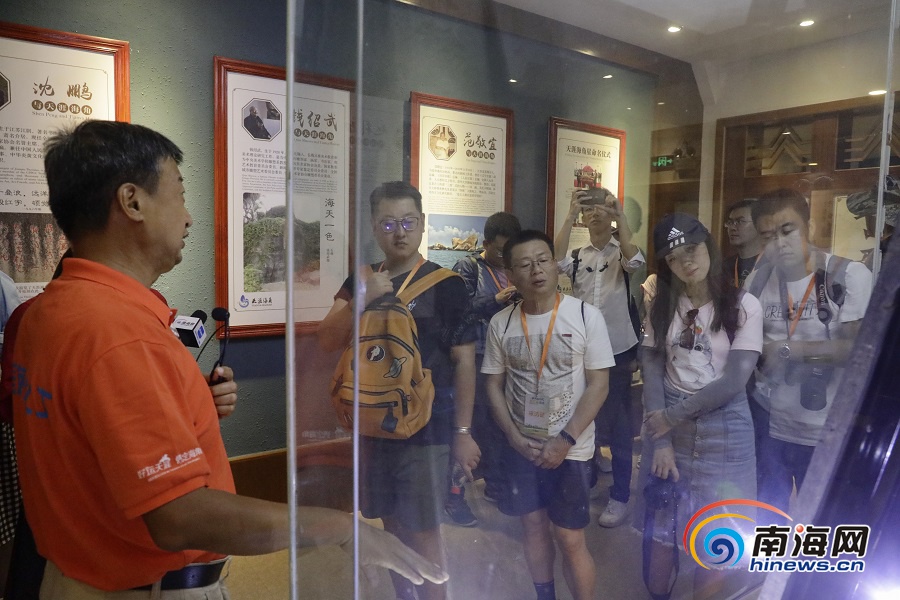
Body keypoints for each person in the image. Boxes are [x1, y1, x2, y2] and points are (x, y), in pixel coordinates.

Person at [10, 121, 447, 598]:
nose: (188, 218)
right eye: (179, 195)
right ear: (132, 202)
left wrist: (187, 403)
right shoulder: (120, 334)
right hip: (143, 586)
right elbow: (179, 516)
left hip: (76, 574)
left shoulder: (47, 311)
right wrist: (341, 528)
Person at [318, 181, 479, 600]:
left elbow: (465, 362)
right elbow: (327, 339)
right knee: (389, 526)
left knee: (424, 532)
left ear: (422, 224)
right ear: (375, 228)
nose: (400, 232)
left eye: (408, 222)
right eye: (388, 224)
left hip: (427, 430)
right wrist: (362, 298)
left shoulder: (447, 284)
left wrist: (463, 432)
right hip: (372, 425)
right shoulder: (362, 279)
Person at [482, 229, 613, 600]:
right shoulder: (501, 323)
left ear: (556, 265)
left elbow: (599, 385)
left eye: (542, 261)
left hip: (571, 450)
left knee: (570, 537)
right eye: (524, 265)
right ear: (510, 274)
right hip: (522, 447)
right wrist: (513, 438)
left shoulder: (586, 316)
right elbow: (493, 386)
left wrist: (564, 440)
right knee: (533, 527)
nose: (536, 270)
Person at [639, 213, 762, 600]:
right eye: (673, 258)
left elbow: (734, 380)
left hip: (725, 427)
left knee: (716, 536)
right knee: (662, 526)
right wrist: (661, 439)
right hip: (668, 417)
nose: (685, 262)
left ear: (708, 245)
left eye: (691, 249)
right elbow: (651, 366)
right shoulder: (662, 304)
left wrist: (669, 419)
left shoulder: (744, 305)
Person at [746, 189, 873, 516]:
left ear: (810, 227)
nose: (779, 243)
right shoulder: (757, 282)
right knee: (769, 518)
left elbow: (858, 352)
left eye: (787, 230)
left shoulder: (847, 276)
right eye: (768, 236)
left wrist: (791, 350)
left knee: (825, 521)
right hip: (771, 424)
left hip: (830, 431)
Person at [554, 187, 644, 528]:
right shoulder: (578, 255)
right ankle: (588, 479)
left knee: (619, 426)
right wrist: (568, 214)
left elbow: (635, 261)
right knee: (582, 417)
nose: (594, 214)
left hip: (617, 351)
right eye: (588, 209)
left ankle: (621, 495)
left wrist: (620, 216)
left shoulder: (622, 251)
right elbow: (555, 259)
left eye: (601, 209)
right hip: (582, 351)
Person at [445, 211, 521, 526]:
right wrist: (496, 300)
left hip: (507, 358)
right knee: (468, 427)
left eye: (510, 251)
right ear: (486, 244)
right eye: (501, 251)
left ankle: (496, 484)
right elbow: (456, 311)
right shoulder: (468, 267)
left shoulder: (516, 268)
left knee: (499, 425)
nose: (505, 257)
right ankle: (454, 496)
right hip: (474, 358)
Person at [723, 199, 764, 289]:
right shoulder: (724, 267)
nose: (732, 228)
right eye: (730, 222)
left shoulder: (773, 264)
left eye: (740, 221)